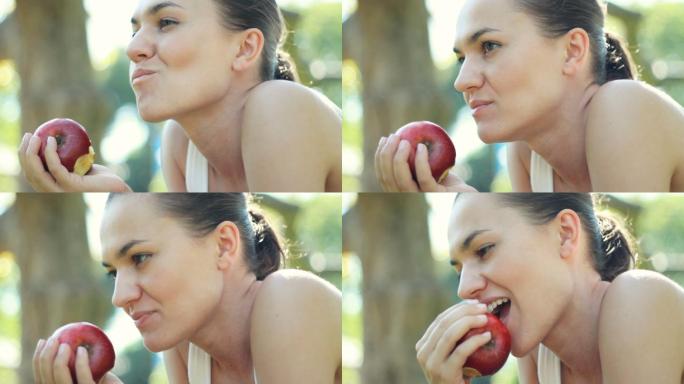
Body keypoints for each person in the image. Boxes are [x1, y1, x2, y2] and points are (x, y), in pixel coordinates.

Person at [18, 0, 342, 192]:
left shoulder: (280, 105)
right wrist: (116, 193)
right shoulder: (181, 144)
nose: (133, 48)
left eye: (167, 22)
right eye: (135, 30)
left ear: (244, 48)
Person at [375, 0, 684, 192]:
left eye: (489, 46)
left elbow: (624, 290)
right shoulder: (527, 154)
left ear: (572, 51)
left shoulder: (624, 105)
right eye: (461, 59)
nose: (462, 81)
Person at [33, 193, 342, 384]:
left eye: (140, 258)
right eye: (114, 273)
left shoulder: (291, 298)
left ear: (223, 245)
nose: (120, 297)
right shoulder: (187, 349)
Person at [416, 193, 684, 383]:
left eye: (484, 250)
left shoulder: (639, 297)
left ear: (565, 233)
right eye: (460, 269)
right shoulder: (540, 357)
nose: (464, 289)